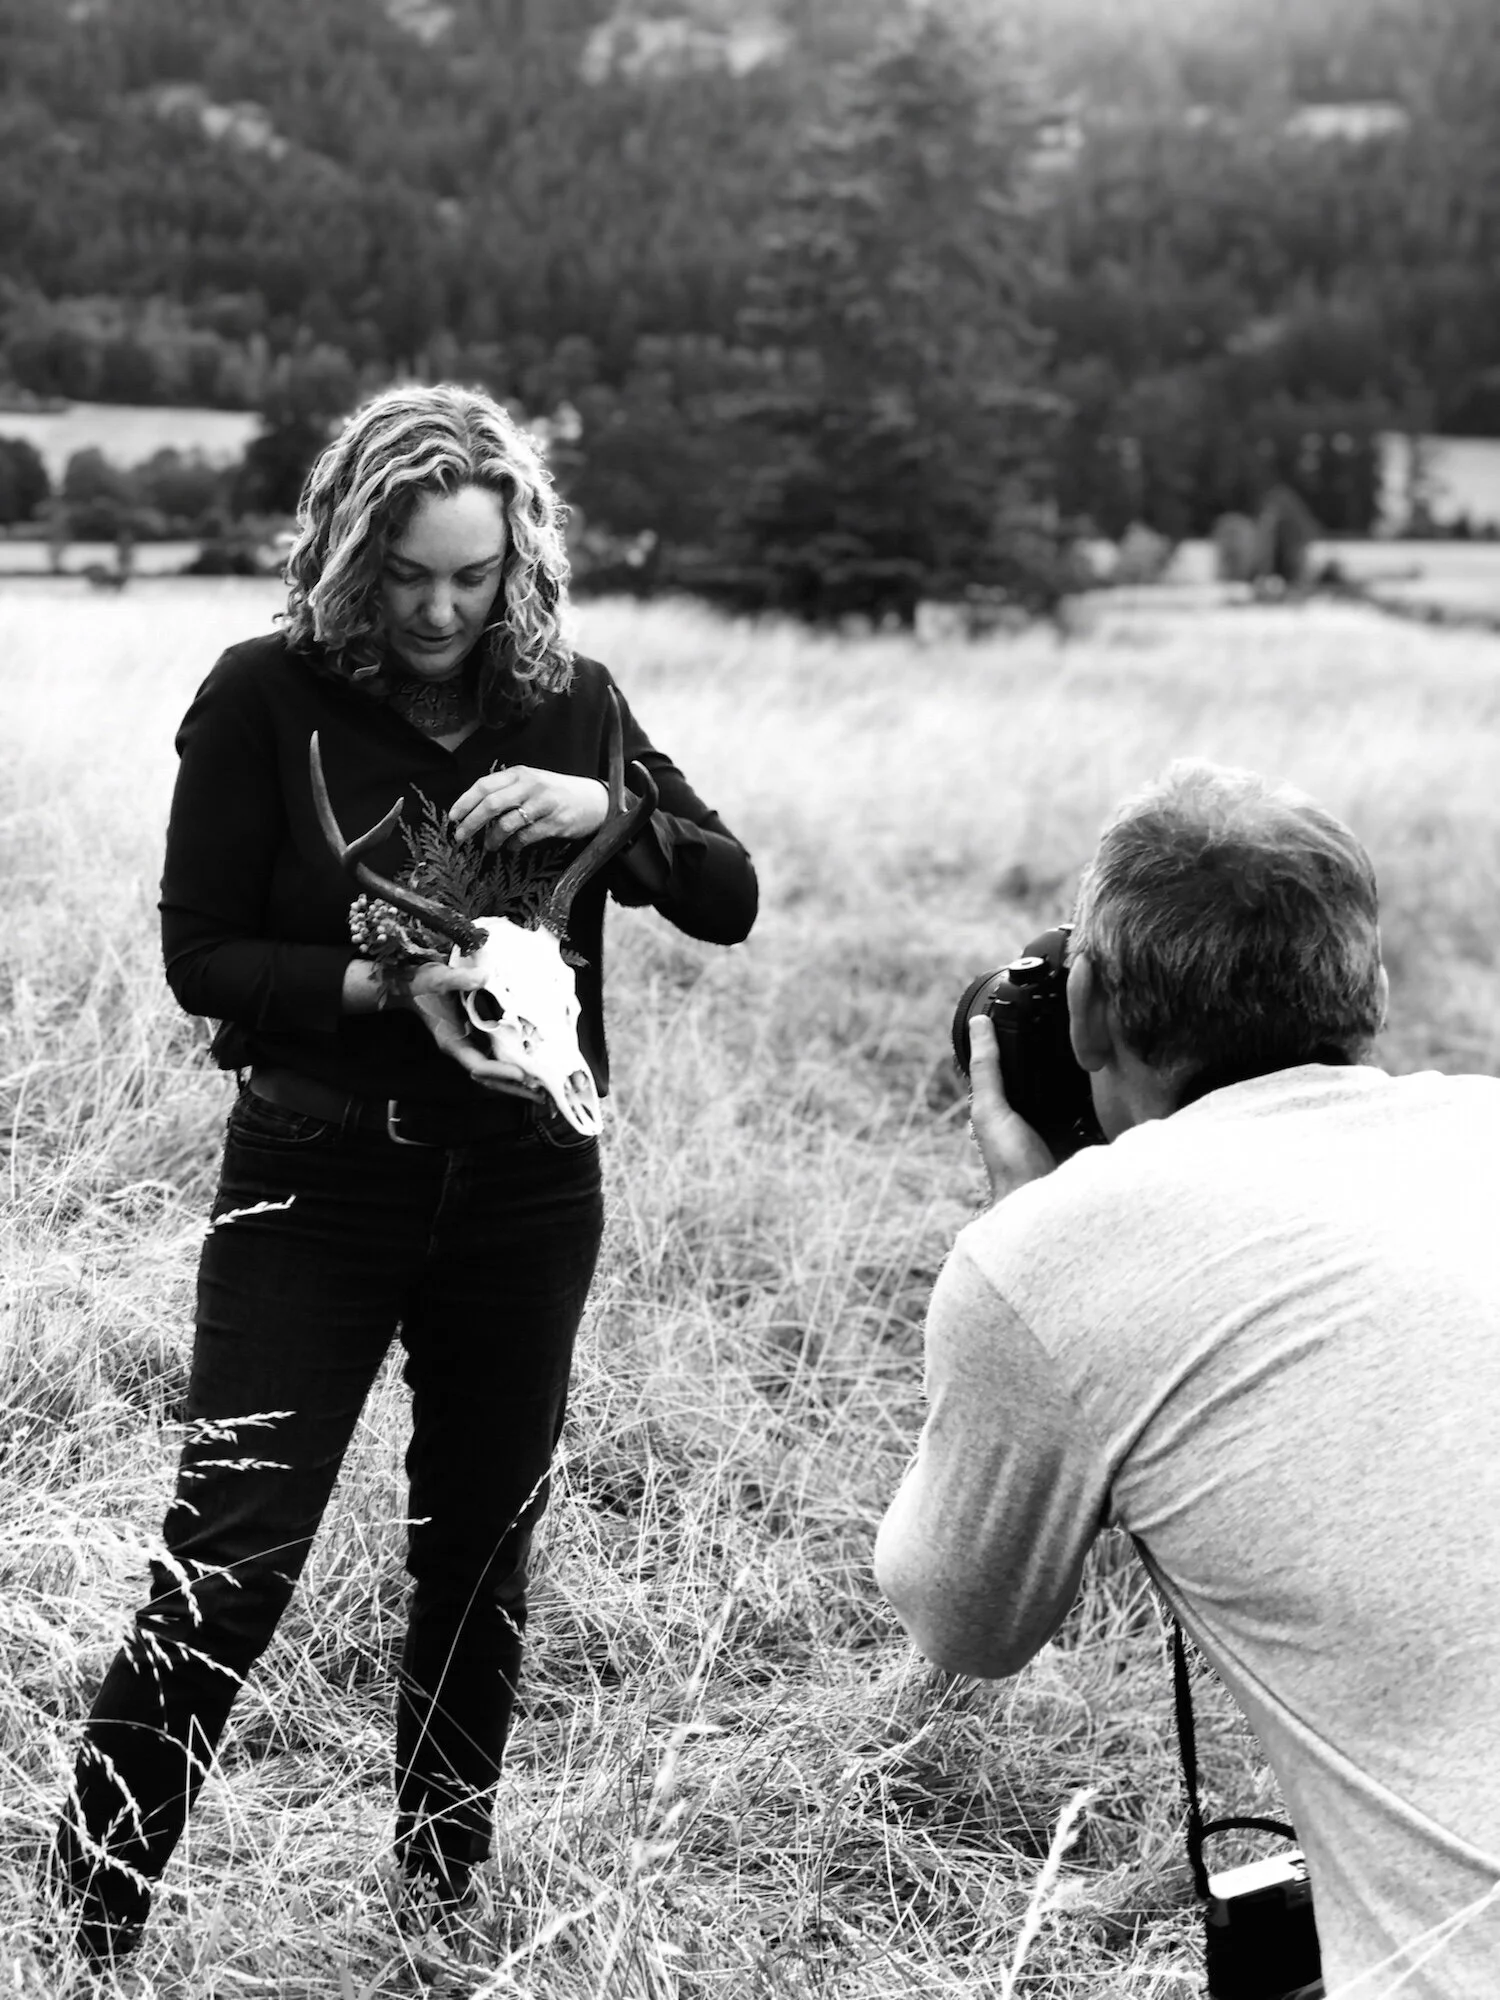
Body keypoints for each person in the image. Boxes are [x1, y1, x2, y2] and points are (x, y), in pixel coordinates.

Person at [49, 382, 758, 1967]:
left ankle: (435, 1925)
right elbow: (200, 956)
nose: (442, 611)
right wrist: (383, 990)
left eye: (474, 576)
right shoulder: (260, 697)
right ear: (351, 551)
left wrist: (616, 809)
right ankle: (83, 1934)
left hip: (523, 1191)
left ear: (520, 564)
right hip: (316, 1175)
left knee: (478, 1553)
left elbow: (730, 896)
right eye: (409, 575)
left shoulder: (574, 703)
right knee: (228, 1560)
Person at [874, 762, 1500, 1998]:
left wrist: (1044, 1235)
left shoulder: (1048, 1257)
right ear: (1368, 989)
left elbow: (963, 1623)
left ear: (1090, 1007)